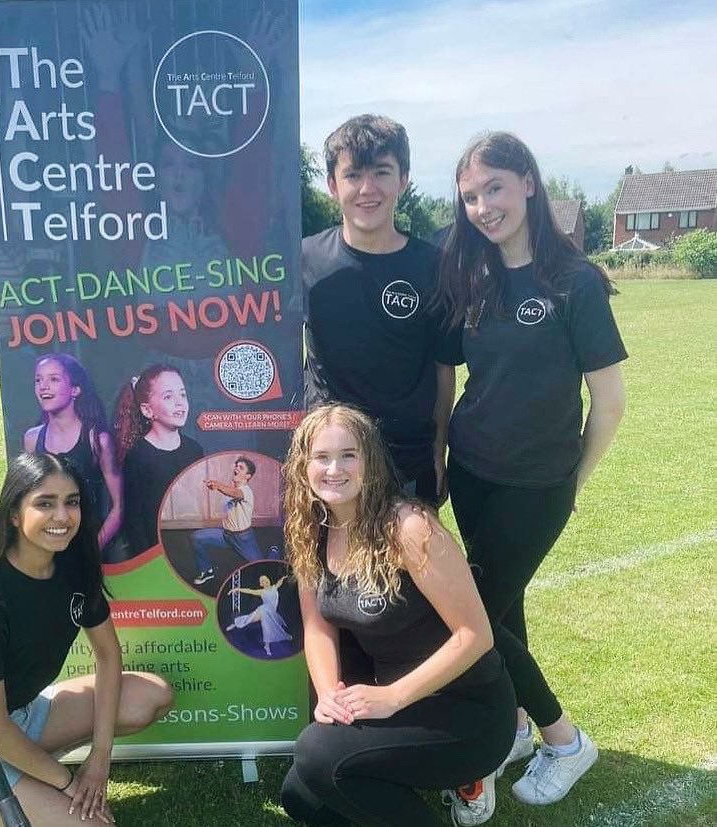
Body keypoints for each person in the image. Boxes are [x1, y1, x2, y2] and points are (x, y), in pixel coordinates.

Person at [437, 131, 627, 809]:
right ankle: (515, 724)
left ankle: (563, 738)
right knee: (501, 608)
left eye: (493, 187)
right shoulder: (472, 274)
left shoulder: (572, 280)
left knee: (471, 616)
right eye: (469, 195)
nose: (482, 206)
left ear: (526, 182)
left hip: (537, 483)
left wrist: (570, 485)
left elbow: (608, 403)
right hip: (472, 473)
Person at [280, 404, 516, 827]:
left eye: (348, 455)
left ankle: (466, 781)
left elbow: (476, 634)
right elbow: (317, 625)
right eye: (321, 457)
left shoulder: (409, 528)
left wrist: (392, 697)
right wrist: (328, 695)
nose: (334, 468)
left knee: (317, 755)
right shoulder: (310, 528)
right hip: (400, 705)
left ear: (369, 462)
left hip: (467, 709)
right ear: (304, 465)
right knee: (301, 796)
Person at [0, 453, 173, 826]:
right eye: (44, 504)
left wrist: (100, 758)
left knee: (150, 697)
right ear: (13, 514)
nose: (62, 516)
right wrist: (66, 782)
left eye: (71, 502)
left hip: (22, 715)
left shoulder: (73, 567)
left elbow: (108, 657)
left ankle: (24, 773)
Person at [302, 114, 456, 506]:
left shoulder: (434, 266)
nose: (367, 189)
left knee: (410, 566)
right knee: (326, 568)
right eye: (353, 175)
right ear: (333, 186)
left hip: (407, 463)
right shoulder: (303, 261)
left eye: (382, 173)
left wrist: (438, 451)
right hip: (329, 465)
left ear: (403, 179)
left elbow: (444, 369)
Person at [24, 354, 122, 553]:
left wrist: (94, 548)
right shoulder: (32, 440)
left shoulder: (98, 440)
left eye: (54, 379)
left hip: (89, 544)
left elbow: (119, 507)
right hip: (49, 547)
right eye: (38, 380)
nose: (43, 386)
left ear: (75, 389)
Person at [114, 364, 204, 559]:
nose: (180, 403)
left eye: (183, 395)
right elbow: (134, 520)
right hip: (154, 556)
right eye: (168, 397)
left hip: (189, 551)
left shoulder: (194, 450)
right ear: (147, 410)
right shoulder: (137, 456)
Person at [191, 456, 265, 586]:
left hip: (243, 539)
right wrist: (217, 485)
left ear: (248, 476)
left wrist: (217, 485)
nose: (236, 468)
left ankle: (274, 551)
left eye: (241, 467)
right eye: (236, 465)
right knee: (196, 538)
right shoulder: (231, 488)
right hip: (226, 536)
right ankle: (207, 571)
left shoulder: (246, 491)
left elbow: (235, 493)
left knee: (263, 570)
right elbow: (230, 491)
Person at [226, 573, 291, 656]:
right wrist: (237, 589)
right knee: (255, 621)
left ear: (269, 580)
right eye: (262, 581)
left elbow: (280, 582)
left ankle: (267, 645)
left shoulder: (275, 587)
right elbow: (249, 590)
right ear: (261, 584)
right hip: (263, 610)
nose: (265, 581)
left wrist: (284, 577)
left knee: (269, 626)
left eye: (266, 579)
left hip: (272, 612)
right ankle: (235, 624)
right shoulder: (261, 592)